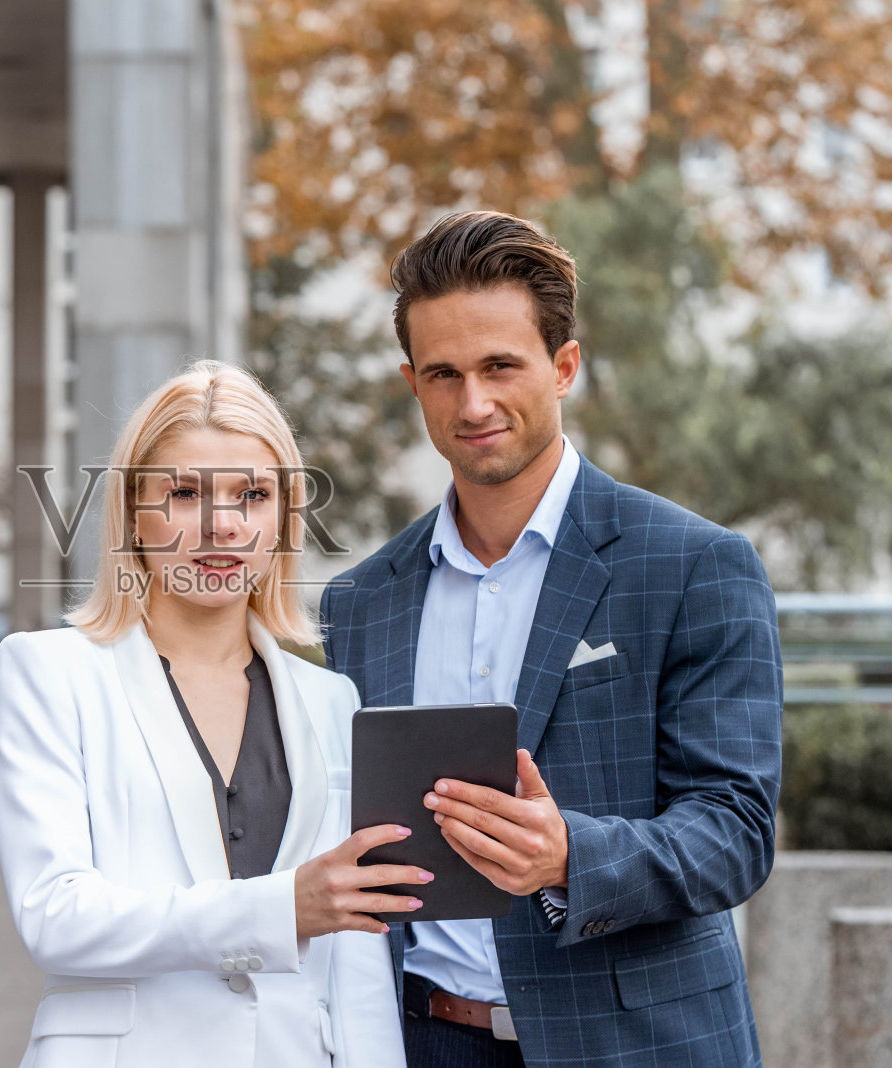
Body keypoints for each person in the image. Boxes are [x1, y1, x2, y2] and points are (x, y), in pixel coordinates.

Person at [321, 211, 782, 1067]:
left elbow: (738, 829)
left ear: (564, 366)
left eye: (501, 365)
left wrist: (573, 855)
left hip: (635, 1045)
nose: (474, 403)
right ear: (411, 383)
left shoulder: (692, 564)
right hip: (418, 1040)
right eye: (443, 374)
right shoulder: (359, 602)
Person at [0, 361, 416, 1068]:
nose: (222, 527)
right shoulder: (50, 674)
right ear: (132, 514)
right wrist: (276, 912)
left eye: (252, 495)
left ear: (283, 517)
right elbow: (56, 917)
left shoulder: (331, 701)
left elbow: (354, 953)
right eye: (185, 493)